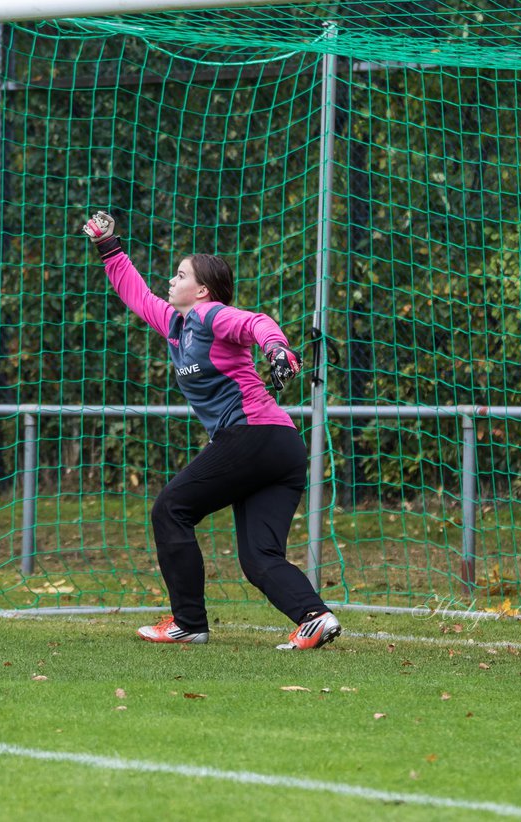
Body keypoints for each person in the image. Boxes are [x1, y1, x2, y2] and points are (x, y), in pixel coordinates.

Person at [82, 210, 340, 650]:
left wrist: (278, 349)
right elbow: (135, 293)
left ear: (201, 290)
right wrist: (109, 246)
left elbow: (255, 321)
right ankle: (315, 618)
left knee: (171, 509)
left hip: (254, 436)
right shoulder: (174, 324)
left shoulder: (209, 315)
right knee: (259, 557)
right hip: (278, 447)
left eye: (180, 274)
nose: (171, 279)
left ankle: (188, 623)